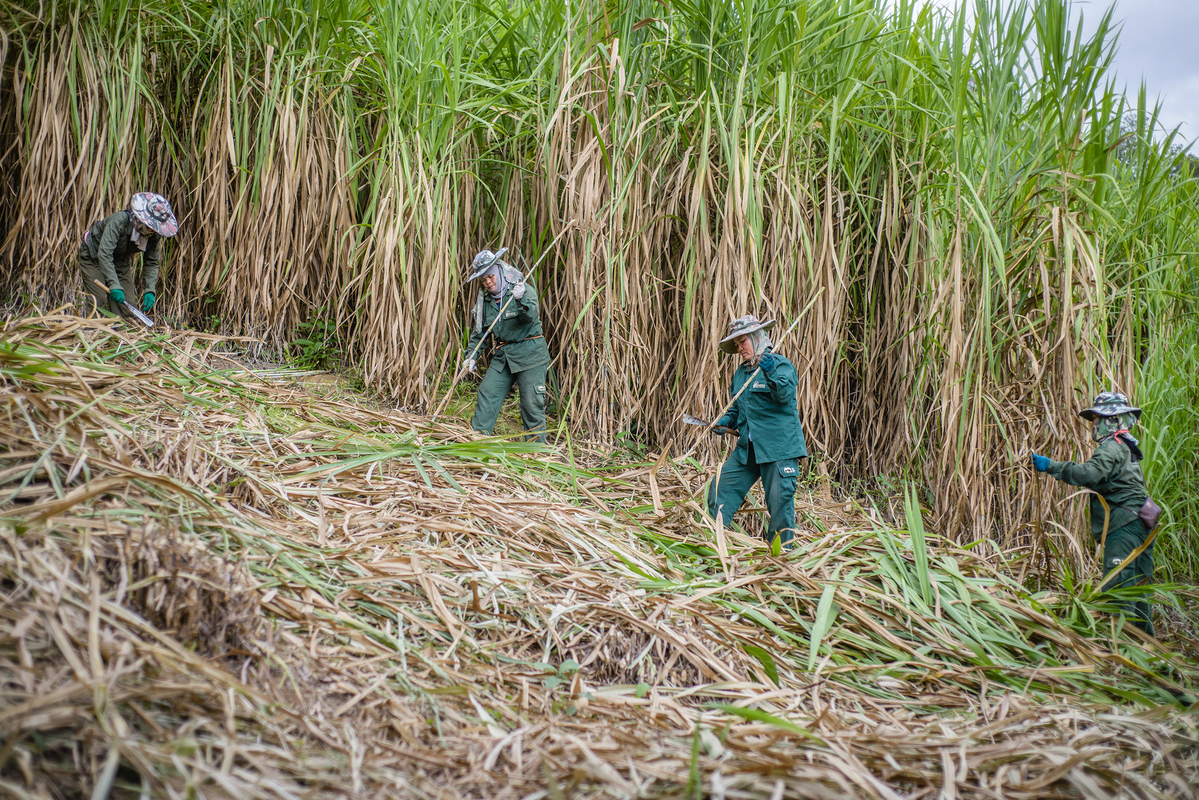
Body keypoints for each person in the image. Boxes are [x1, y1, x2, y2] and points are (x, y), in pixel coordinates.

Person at [1031, 391, 1157, 634]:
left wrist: (1051, 466)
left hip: (1124, 527)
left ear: (1111, 420)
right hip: (1141, 523)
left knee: (1118, 588)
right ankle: (1146, 648)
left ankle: (1119, 648)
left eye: (1097, 419)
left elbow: (1089, 474)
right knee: (1140, 588)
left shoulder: (1112, 446)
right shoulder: (1127, 445)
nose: (1094, 425)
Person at [707, 315, 807, 548]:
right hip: (748, 449)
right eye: (737, 343)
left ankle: (781, 558)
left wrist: (770, 372)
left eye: (743, 341)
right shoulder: (741, 373)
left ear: (757, 338)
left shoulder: (780, 365)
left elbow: (783, 396)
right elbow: (738, 408)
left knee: (779, 502)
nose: (740, 347)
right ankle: (715, 544)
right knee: (720, 489)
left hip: (778, 449)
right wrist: (726, 421)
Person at [461, 248, 550, 443]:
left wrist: (520, 300)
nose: (488, 283)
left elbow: (531, 317)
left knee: (531, 403)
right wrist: (472, 356)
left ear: (499, 270)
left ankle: (536, 453)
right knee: (487, 392)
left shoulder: (521, 289)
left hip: (530, 354)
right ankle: (477, 443)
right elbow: (481, 332)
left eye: (490, 277)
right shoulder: (484, 300)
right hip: (504, 356)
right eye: (483, 280)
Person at [79, 192, 178, 317]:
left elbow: (151, 262)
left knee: (128, 307)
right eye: (150, 227)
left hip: (120, 259)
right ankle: (92, 331)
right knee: (99, 300)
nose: (153, 231)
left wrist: (150, 290)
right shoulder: (119, 221)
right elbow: (104, 254)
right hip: (93, 255)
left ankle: (121, 334)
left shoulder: (154, 234)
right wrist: (114, 284)